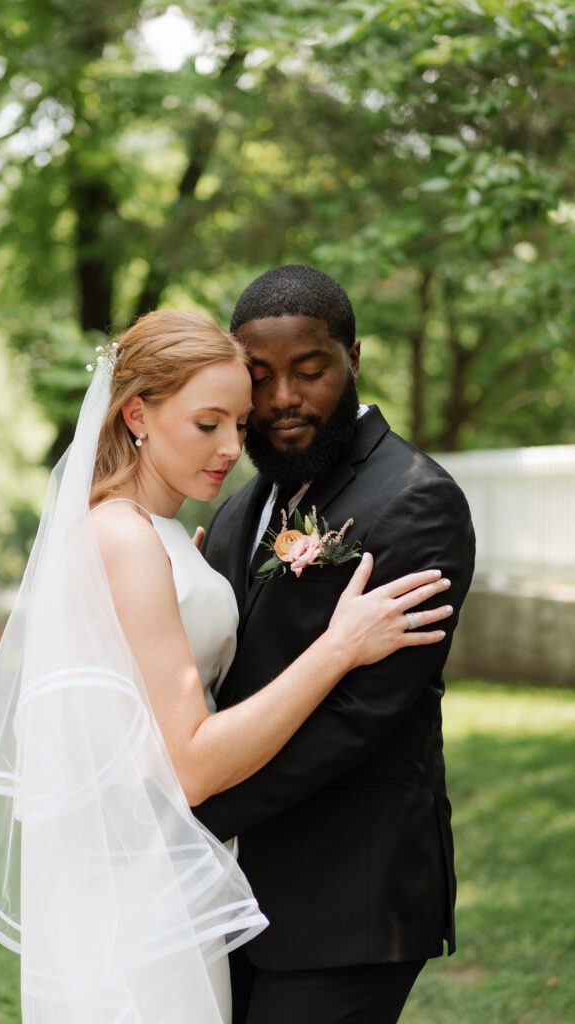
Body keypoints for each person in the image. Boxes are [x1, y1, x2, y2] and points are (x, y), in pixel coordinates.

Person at [0, 309, 454, 1024]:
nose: (231, 448)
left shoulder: (166, 533)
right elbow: (189, 767)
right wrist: (338, 646)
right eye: (207, 424)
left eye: (239, 424)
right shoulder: (126, 536)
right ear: (137, 416)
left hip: (173, 875)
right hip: (143, 891)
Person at [194, 266, 476, 1024]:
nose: (282, 398)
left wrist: (193, 811)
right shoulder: (241, 506)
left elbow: (360, 713)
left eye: (309, 370)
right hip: (231, 895)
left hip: (350, 896)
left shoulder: (415, 499)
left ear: (353, 358)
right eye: (259, 377)